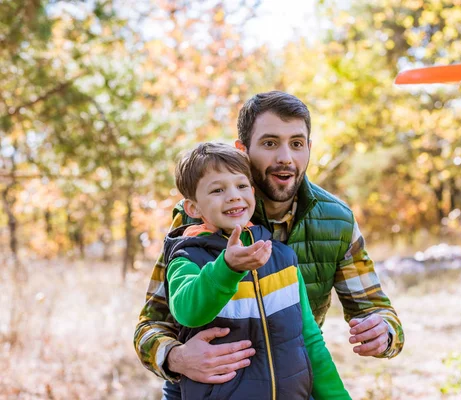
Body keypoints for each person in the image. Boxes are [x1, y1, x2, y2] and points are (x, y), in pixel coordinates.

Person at [134, 91, 404, 398]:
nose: (285, 157)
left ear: (309, 149)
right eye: (270, 143)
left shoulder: (336, 220)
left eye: (297, 143)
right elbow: (150, 324)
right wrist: (176, 357)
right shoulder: (202, 219)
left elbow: (371, 312)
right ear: (243, 150)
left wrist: (385, 332)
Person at [162, 142, 350, 399]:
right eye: (217, 190)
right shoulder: (187, 257)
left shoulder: (282, 257)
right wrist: (227, 268)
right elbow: (188, 312)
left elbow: (310, 341)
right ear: (193, 208)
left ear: (252, 191)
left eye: (241, 186)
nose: (233, 196)